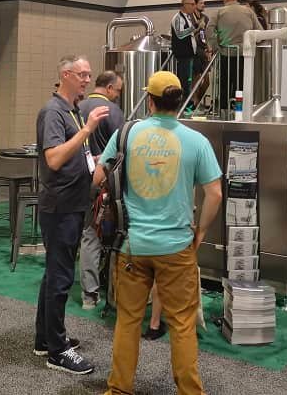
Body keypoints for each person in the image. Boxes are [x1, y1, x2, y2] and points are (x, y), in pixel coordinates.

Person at [93, 71, 223, 395]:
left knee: (128, 321)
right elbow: (215, 194)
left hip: (131, 245)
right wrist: (200, 232)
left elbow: (98, 177)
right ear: (179, 102)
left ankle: (118, 390)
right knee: (182, 325)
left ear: (150, 101)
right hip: (177, 247)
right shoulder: (197, 141)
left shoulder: (126, 133)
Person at [33, 55, 108, 375]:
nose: (87, 80)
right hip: (60, 206)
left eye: (89, 75)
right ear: (65, 75)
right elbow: (53, 158)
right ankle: (57, 351)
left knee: (55, 274)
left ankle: (45, 339)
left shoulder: (73, 111)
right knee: (61, 278)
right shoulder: (52, 112)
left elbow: (77, 154)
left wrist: (99, 160)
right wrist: (88, 129)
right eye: (82, 74)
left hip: (74, 204)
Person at [77, 70, 125, 310]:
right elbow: (121, 150)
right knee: (110, 235)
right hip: (105, 184)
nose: (118, 95)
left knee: (87, 235)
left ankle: (89, 295)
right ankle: (115, 291)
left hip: (78, 181)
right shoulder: (113, 112)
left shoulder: (77, 108)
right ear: (109, 88)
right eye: (118, 90)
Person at [206, 0, 262, 111]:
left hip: (226, 53)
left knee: (224, 85)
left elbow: (209, 30)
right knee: (242, 84)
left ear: (225, 0)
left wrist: (216, 46)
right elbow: (259, 32)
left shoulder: (219, 12)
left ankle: (224, 111)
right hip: (245, 55)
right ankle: (241, 110)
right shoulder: (248, 11)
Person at [170, 0, 198, 105]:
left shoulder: (188, 17)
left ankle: (187, 104)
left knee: (189, 81)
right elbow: (180, 34)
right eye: (192, 4)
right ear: (185, 5)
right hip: (182, 54)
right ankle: (183, 105)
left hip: (189, 54)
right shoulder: (178, 18)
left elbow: (189, 34)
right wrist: (195, 27)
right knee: (184, 81)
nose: (194, 6)